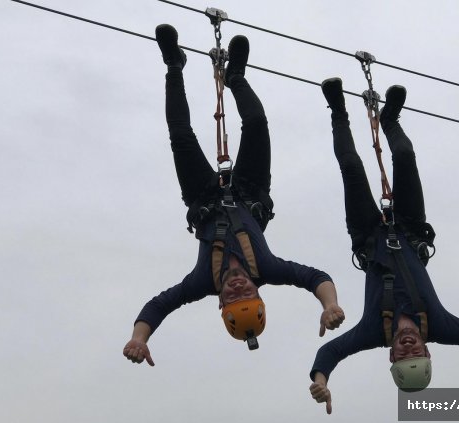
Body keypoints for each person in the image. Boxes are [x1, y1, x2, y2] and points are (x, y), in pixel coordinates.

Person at [123, 25, 345, 366]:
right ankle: (235, 77)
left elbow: (159, 305)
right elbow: (316, 277)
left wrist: (139, 338)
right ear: (258, 292)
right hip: (250, 192)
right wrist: (329, 305)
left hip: (204, 200)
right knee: (256, 123)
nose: (239, 289)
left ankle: (174, 66)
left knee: (181, 135)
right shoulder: (268, 268)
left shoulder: (201, 281)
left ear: (220, 303)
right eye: (248, 295)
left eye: (232, 298)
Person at [308, 78, 459, 414]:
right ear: (427, 351)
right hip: (411, 232)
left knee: (352, 167)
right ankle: (389, 121)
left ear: (392, 355)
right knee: (404, 155)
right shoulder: (439, 324)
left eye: (403, 356)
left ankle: (338, 111)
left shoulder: (373, 330)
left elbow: (331, 352)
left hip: (368, 236)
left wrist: (321, 382)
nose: (409, 348)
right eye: (417, 354)